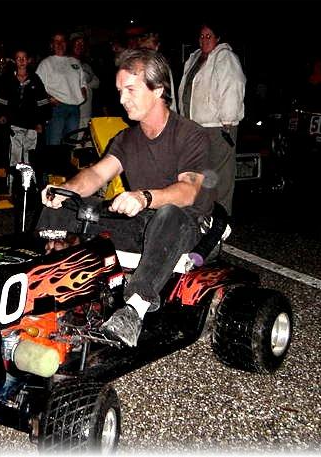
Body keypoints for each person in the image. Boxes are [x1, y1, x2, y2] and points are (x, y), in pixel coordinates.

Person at [36, 48, 214, 347]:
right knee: (66, 204)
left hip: (186, 226)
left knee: (168, 213)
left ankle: (134, 310)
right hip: (141, 220)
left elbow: (188, 191)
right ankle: (44, 279)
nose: (122, 99)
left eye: (130, 90)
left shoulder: (190, 134)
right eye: (120, 91)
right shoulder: (126, 138)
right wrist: (65, 191)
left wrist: (144, 197)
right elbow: (96, 175)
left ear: (158, 90)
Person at [178, 21, 246, 216]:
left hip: (219, 126)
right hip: (195, 126)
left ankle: (221, 220)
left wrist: (228, 121)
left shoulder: (225, 57)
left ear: (218, 38)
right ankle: (202, 216)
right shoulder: (195, 58)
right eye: (202, 36)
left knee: (220, 175)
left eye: (209, 36)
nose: (204, 39)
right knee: (201, 174)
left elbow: (233, 87)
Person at [0, 48, 50, 192]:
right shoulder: (7, 79)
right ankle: (12, 188)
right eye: (18, 58)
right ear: (15, 61)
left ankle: (32, 189)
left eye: (24, 58)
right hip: (14, 126)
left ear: (28, 60)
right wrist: (1, 115)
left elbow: (42, 102)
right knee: (15, 158)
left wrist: (41, 122)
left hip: (31, 126)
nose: (22, 61)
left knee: (30, 158)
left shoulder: (35, 79)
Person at [36, 31, 87, 146]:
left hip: (74, 108)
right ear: (52, 45)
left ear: (66, 43)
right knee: (54, 143)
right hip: (56, 108)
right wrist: (48, 98)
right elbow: (37, 86)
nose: (60, 44)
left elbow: (82, 82)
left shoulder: (74, 62)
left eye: (62, 41)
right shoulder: (46, 63)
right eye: (56, 41)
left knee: (71, 143)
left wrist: (83, 92)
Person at [69, 32, 100, 135]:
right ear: (71, 44)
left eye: (82, 44)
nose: (80, 46)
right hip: (73, 113)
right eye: (77, 43)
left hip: (87, 111)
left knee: (85, 140)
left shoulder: (86, 65)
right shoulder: (65, 63)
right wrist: (85, 81)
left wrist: (84, 83)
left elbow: (97, 82)